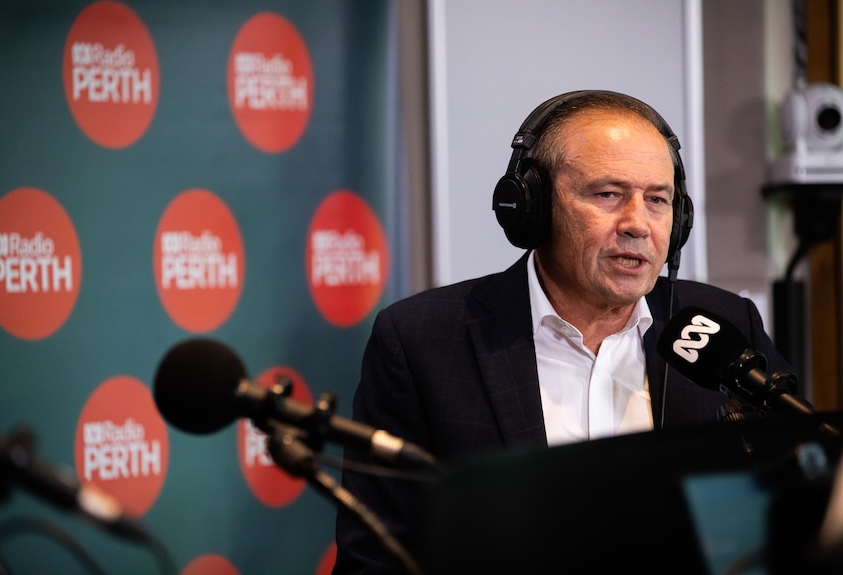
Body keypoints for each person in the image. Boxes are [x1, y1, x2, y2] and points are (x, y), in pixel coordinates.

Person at [332, 90, 792, 574]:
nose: (638, 224)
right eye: (607, 195)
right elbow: (376, 557)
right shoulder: (423, 340)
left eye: (657, 199)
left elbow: (792, 509)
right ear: (530, 205)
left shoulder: (722, 326)